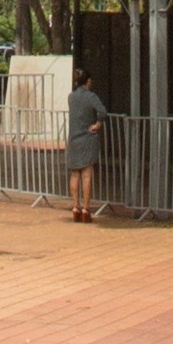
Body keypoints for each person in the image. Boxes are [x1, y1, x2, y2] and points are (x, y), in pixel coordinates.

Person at [64, 57, 108, 221]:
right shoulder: (91, 96)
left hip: (74, 138)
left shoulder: (72, 97)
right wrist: (97, 124)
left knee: (74, 174)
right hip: (87, 138)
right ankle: (86, 209)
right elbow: (102, 111)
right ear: (87, 81)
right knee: (87, 176)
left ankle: (75, 206)